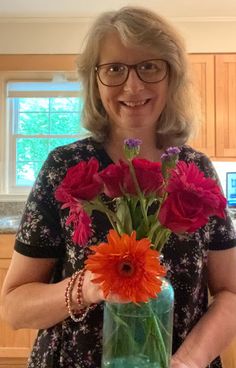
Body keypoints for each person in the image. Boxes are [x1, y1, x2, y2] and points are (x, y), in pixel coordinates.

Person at [1, 6, 236, 368]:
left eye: (149, 66)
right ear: (95, 80)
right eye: (114, 69)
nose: (133, 86)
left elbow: (230, 292)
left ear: (171, 76)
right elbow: (14, 308)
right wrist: (88, 287)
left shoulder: (196, 170)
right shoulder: (64, 168)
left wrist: (189, 360)